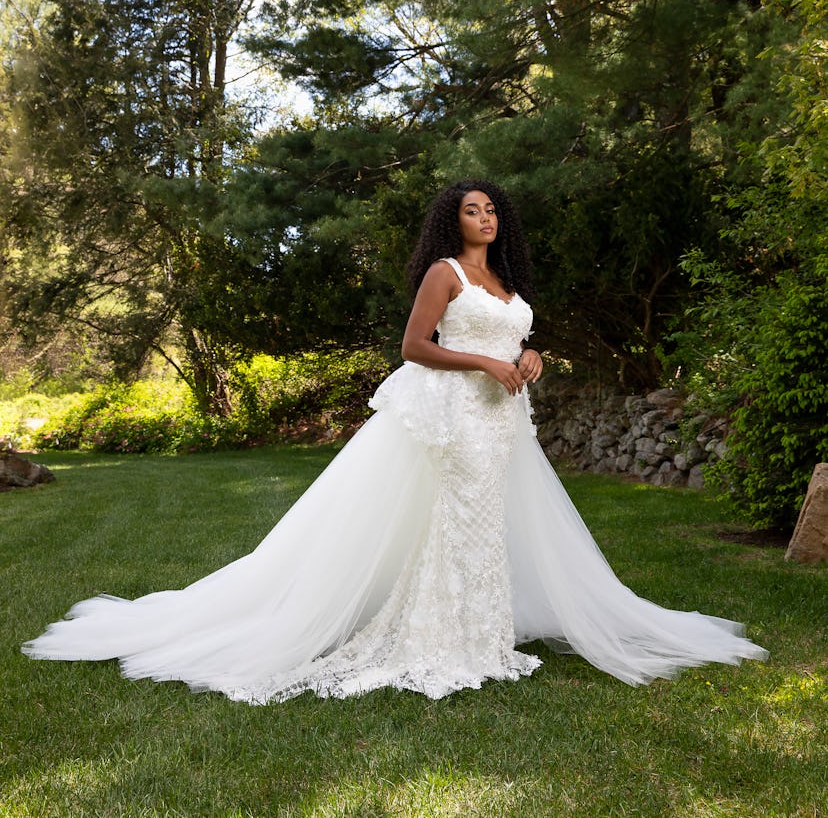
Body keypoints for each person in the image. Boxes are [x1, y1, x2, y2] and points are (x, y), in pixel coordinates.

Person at [23, 180, 768, 702]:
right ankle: (439, 635)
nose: (485, 218)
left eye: (492, 210)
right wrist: (480, 359)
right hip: (449, 411)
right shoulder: (444, 274)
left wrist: (530, 358)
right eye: (472, 211)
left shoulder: (506, 285)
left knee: (486, 521)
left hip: (500, 417)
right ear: (453, 222)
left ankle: (480, 633)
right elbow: (415, 346)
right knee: (450, 516)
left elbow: (516, 343)